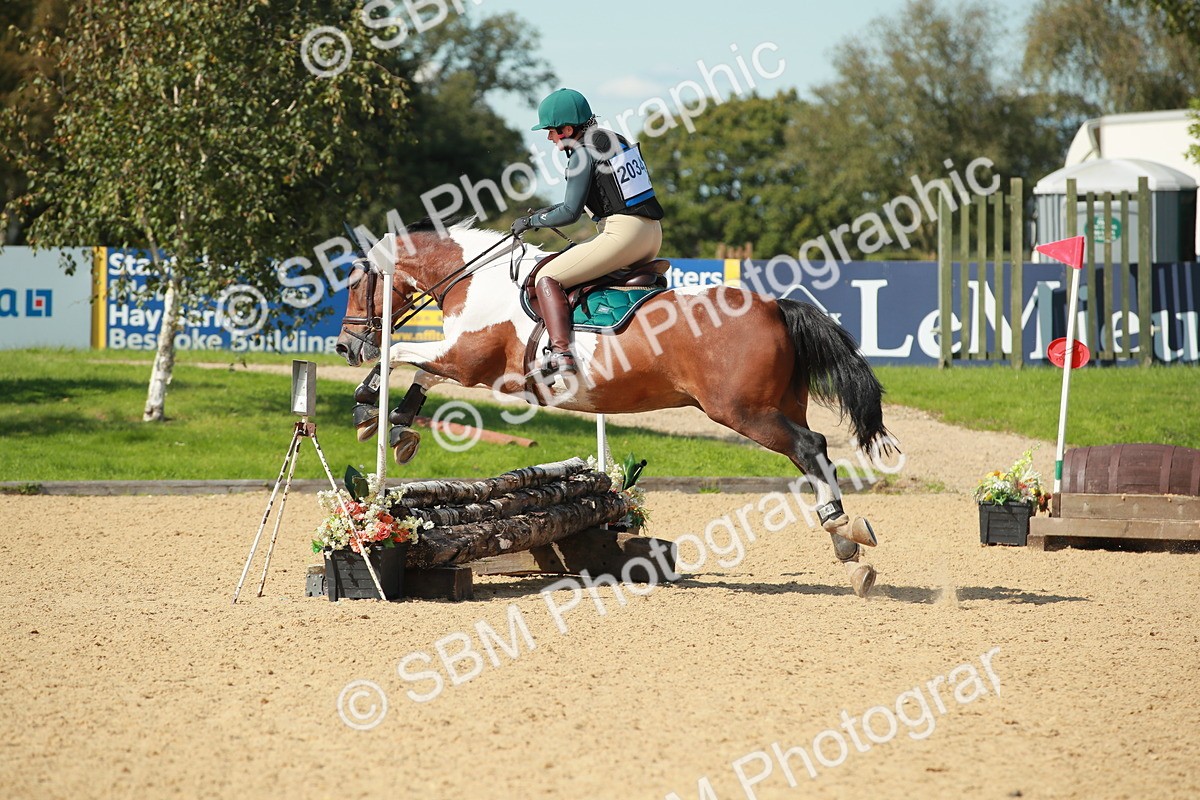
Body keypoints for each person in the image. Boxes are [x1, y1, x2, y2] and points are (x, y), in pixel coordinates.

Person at [512, 88, 665, 376]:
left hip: (623, 234)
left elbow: (570, 213)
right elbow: (582, 202)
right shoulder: (614, 139)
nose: (549, 138)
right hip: (652, 234)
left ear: (567, 129)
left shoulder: (582, 153)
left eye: (551, 131)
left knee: (547, 277)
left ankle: (561, 353)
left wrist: (531, 222)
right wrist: (539, 214)